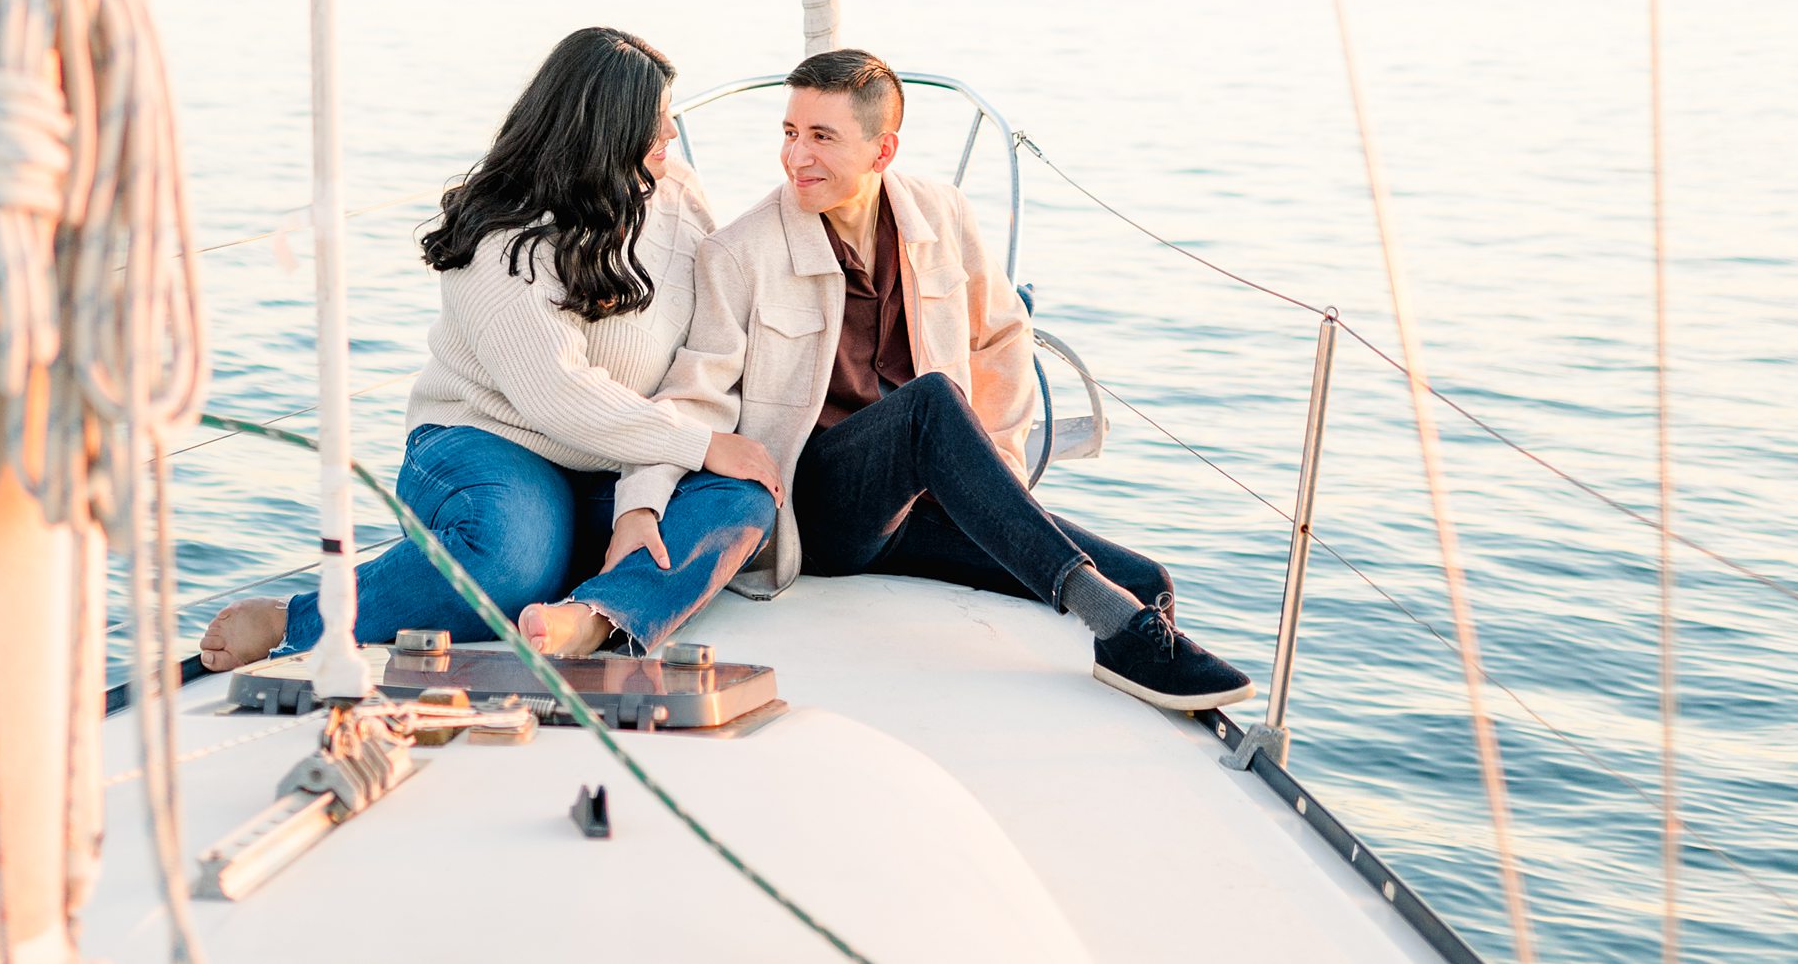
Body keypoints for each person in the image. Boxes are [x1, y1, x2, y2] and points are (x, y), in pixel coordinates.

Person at [519, 48, 1253, 709]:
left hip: (931, 503)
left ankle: (1132, 648)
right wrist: (638, 508)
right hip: (824, 510)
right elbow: (692, 396)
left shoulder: (940, 212)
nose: (795, 157)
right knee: (929, 404)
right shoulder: (740, 251)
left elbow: (1002, 337)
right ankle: (1111, 618)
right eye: (788, 132)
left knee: (1149, 579)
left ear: (883, 148)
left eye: (821, 136)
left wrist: (998, 469)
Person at [196, 27, 780, 673]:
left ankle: (590, 617)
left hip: (622, 459)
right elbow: (557, 392)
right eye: (657, 120)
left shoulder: (676, 195)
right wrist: (697, 445)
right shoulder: (503, 239)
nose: (671, 134)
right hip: (490, 443)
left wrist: (642, 497)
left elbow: (700, 353)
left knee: (743, 499)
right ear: (604, 130)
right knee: (516, 556)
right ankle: (298, 617)